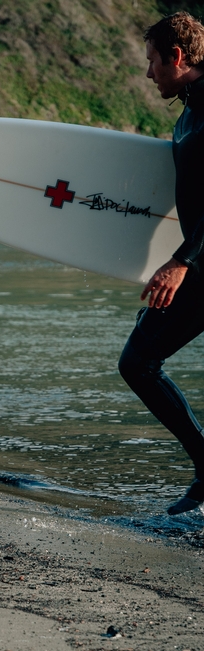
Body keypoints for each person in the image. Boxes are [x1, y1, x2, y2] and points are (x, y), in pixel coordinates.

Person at [118, 11, 204, 515]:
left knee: (138, 362)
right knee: (141, 357)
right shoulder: (191, 108)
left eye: (152, 61)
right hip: (197, 259)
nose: (149, 73)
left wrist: (180, 262)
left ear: (175, 56)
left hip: (199, 263)